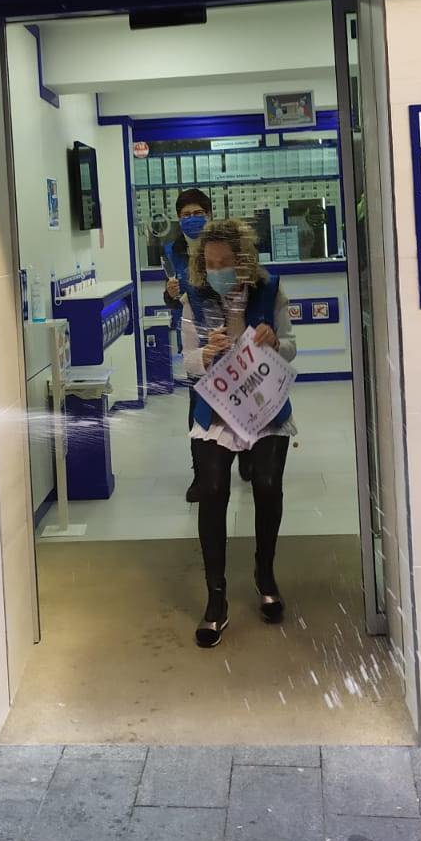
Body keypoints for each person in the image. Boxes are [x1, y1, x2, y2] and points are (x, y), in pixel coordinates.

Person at [182, 217, 296, 648]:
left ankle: (265, 575)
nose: (217, 270)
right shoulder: (194, 298)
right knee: (212, 490)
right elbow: (185, 360)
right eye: (210, 263)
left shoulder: (269, 290)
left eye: (225, 262)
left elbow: (291, 345)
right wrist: (205, 354)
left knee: (267, 485)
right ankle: (216, 599)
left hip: (264, 405)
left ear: (243, 260)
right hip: (216, 411)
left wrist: (275, 343)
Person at [162, 189, 213, 504]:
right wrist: (169, 294)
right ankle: (201, 474)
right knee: (198, 404)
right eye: (186, 215)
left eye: (198, 214)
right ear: (178, 219)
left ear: (209, 214)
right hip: (193, 334)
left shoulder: (224, 242)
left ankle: (247, 455)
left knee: (238, 396)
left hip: (227, 330)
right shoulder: (172, 250)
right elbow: (172, 298)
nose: (192, 219)